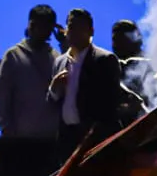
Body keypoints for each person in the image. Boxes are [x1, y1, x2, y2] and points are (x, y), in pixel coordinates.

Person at [0, 4, 61, 176]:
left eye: (48, 27)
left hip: (49, 140)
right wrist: (7, 130)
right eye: (40, 26)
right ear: (30, 25)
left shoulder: (56, 57)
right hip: (20, 141)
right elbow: (2, 99)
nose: (44, 32)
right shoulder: (13, 56)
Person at [48, 9, 122, 157]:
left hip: (94, 141)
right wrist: (53, 89)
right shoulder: (59, 61)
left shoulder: (104, 59)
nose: (74, 31)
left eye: (80, 27)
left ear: (91, 31)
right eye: (71, 26)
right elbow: (51, 102)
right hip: (67, 139)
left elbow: (111, 104)